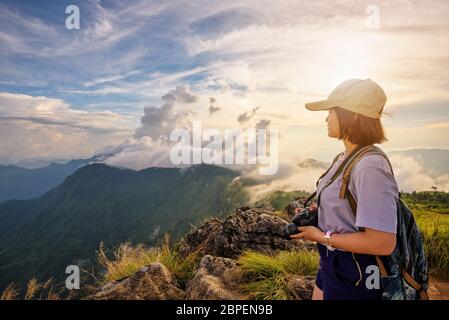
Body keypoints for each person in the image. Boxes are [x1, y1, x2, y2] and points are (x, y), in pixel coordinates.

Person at [291, 79, 399, 300]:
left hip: (357, 274)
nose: (326, 117)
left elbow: (382, 243)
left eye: (332, 111)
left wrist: (322, 236)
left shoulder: (370, 166)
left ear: (354, 114)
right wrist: (320, 212)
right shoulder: (343, 158)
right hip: (332, 264)